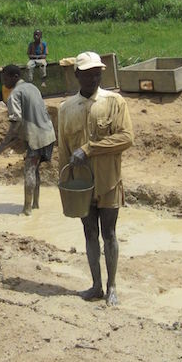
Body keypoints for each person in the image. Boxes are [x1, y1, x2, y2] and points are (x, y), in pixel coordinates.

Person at [58, 51, 134, 306]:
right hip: (81, 185)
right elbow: (64, 153)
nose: (93, 78)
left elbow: (126, 138)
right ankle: (96, 285)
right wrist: (65, 190)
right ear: (77, 75)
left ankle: (112, 286)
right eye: (88, 74)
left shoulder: (114, 102)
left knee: (109, 233)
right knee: (89, 232)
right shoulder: (66, 109)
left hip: (109, 182)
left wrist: (90, 148)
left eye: (97, 73)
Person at [0, 64, 56, 216]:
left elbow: (16, 122)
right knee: (36, 169)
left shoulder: (14, 95)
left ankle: (27, 210)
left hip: (36, 137)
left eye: (5, 78)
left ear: (15, 77)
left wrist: (1, 147)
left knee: (29, 170)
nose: (3, 82)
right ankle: (36, 205)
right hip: (49, 134)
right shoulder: (33, 88)